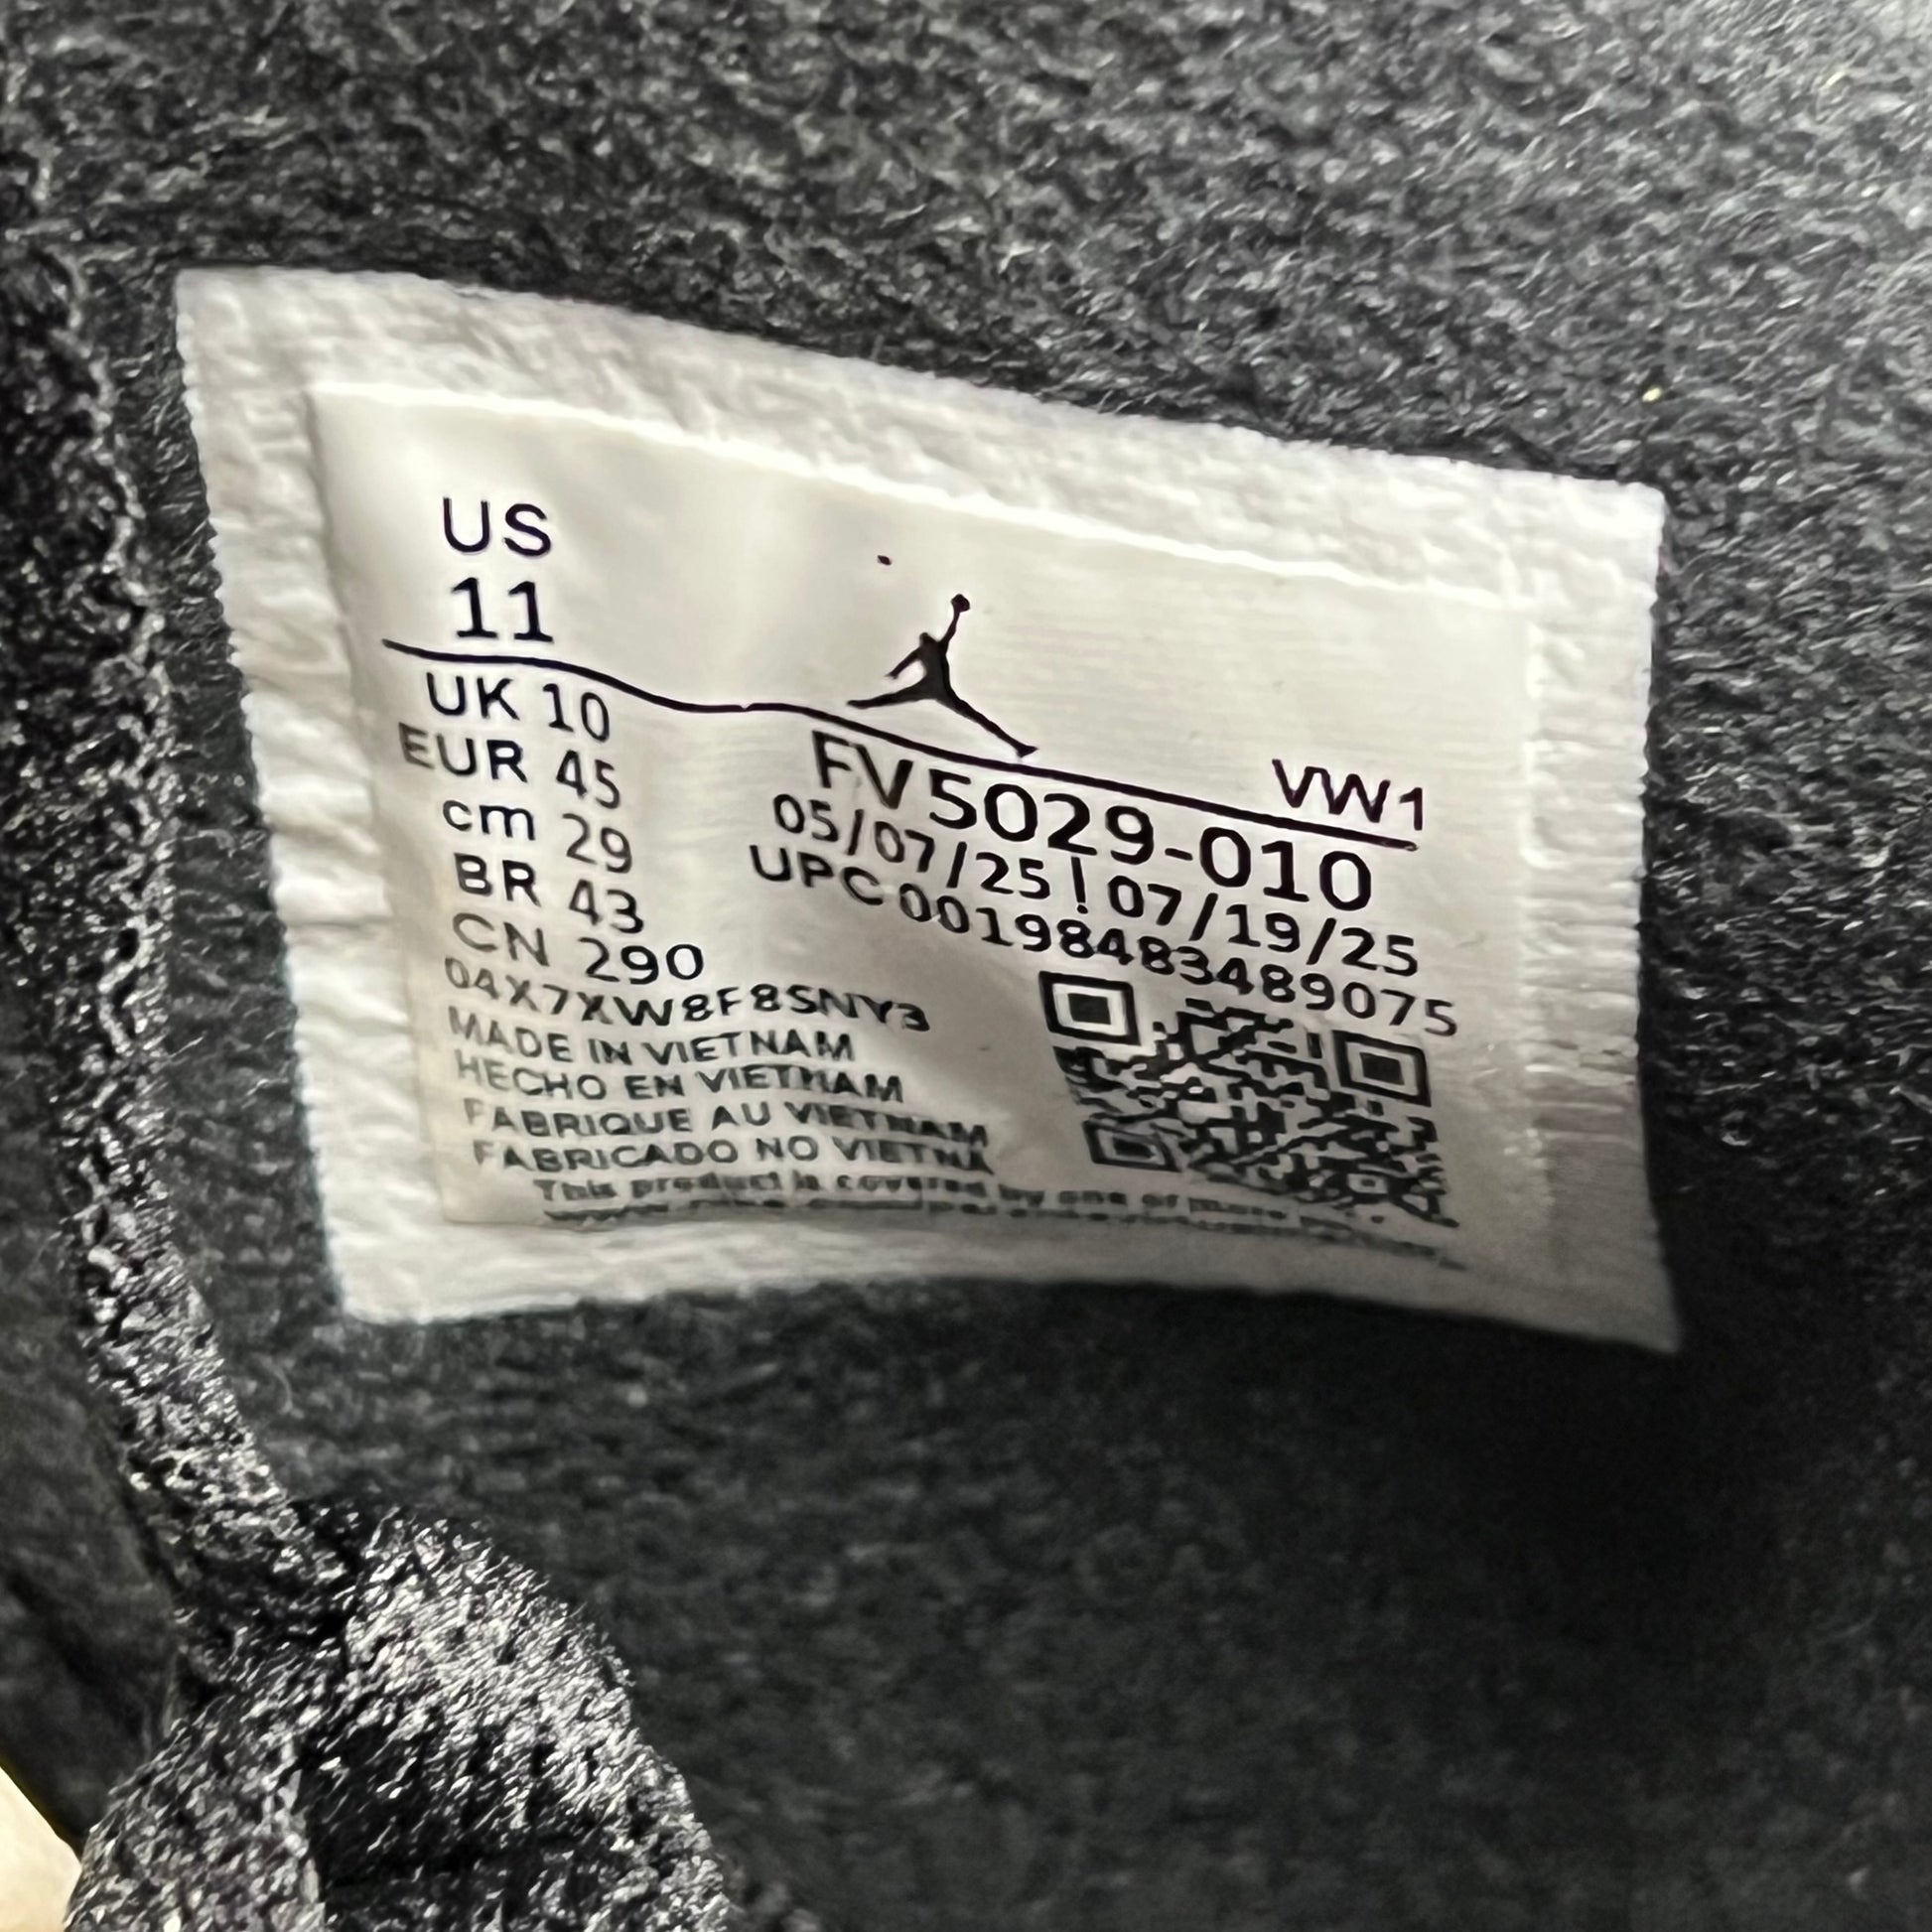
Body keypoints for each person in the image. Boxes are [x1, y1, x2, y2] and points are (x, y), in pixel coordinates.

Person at [850, 594, 1035, 758]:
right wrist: (895, 672)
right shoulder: (924, 651)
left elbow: (950, 631)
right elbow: (905, 663)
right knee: (894, 698)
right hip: (929, 687)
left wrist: (956, 613)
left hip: (939, 690)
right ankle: (863, 704)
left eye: (927, 637)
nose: (926, 637)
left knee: (977, 718)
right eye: (924, 638)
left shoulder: (936, 648)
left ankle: (1017, 746)